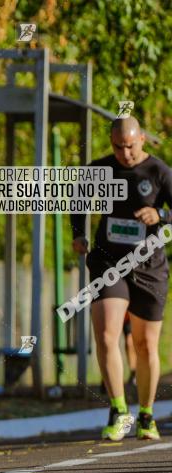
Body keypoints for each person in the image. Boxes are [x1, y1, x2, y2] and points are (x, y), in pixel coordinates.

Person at [72, 116, 172, 441]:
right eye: (118, 146)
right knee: (105, 336)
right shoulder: (99, 170)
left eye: (130, 145)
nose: (125, 153)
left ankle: (146, 414)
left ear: (141, 139)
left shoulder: (159, 172)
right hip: (108, 261)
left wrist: (162, 215)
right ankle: (118, 410)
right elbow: (78, 198)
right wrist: (79, 234)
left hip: (149, 266)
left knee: (145, 345)